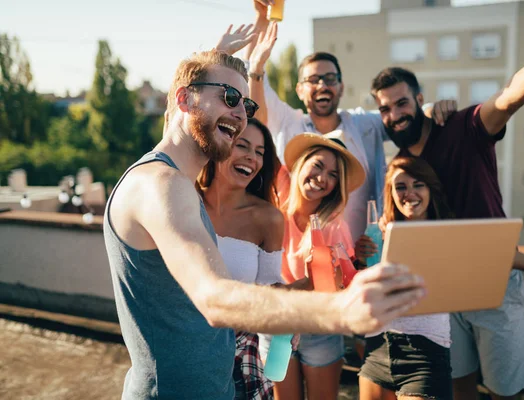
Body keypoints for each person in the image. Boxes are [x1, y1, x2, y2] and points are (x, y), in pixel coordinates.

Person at [103, 46, 426, 399]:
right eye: (229, 97)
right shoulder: (163, 184)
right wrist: (340, 309)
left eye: (246, 105)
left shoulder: (173, 183)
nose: (241, 114)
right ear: (183, 99)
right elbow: (214, 299)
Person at [368, 8, 524, 400]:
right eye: (385, 108)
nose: (394, 114)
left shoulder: (462, 126)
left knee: (507, 390)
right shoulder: (400, 168)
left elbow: (508, 98)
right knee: (458, 386)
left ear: (419, 99)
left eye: (401, 103)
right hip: (442, 293)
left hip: (494, 280)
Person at [245, 0, 457, 243]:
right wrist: (262, 18)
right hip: (297, 255)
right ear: (300, 90)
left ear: (341, 87)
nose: (323, 85)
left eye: (330, 78)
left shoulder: (363, 124)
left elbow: (402, 117)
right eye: (313, 79)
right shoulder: (287, 122)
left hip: (362, 258)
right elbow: (253, 76)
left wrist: (433, 109)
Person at [260, 130, 365, 400]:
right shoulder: (273, 209)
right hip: (277, 323)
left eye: (333, 175)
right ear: (299, 166)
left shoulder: (333, 227)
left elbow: (341, 287)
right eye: (318, 165)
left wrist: (343, 276)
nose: (322, 178)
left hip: (319, 329)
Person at [197, 117, 284, 399]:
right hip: (181, 351)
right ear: (219, 146)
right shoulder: (185, 200)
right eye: (242, 145)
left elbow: (269, 292)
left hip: (238, 361)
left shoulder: (268, 218)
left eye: (260, 152)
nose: (251, 157)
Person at [357, 156, 454, 400]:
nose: (409, 193)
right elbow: (366, 293)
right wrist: (359, 261)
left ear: (430, 188)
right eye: (400, 187)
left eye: (418, 184)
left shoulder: (450, 232)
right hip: (377, 349)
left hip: (425, 355)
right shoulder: (381, 233)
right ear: (391, 193)